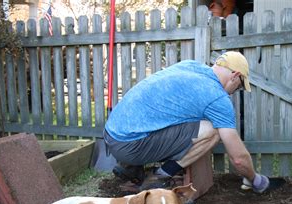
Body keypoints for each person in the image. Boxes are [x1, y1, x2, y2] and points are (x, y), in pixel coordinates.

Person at [103, 51, 270, 193]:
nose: (235, 92)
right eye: (239, 86)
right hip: (129, 146)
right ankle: (160, 176)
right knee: (213, 130)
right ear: (235, 76)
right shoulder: (217, 97)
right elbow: (238, 158)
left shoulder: (191, 66)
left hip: (112, 134)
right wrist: (254, 179)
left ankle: (131, 167)